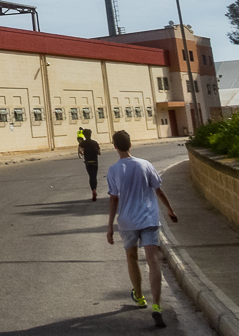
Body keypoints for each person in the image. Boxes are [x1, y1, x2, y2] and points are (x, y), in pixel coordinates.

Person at [105, 130, 178, 329]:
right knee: (153, 259)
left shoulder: (113, 170)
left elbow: (114, 199)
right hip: (149, 218)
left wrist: (110, 226)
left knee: (132, 257)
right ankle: (157, 305)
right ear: (130, 144)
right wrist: (170, 210)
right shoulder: (145, 165)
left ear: (115, 146)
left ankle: (139, 296)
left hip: (128, 221)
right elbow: (158, 190)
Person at [78, 128, 101, 201]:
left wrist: (84, 152)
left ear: (84, 135)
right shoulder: (95, 142)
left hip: (87, 162)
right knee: (94, 176)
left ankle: (92, 190)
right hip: (94, 161)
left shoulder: (82, 143)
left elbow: (80, 151)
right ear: (90, 134)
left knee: (90, 176)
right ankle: (95, 189)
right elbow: (99, 153)